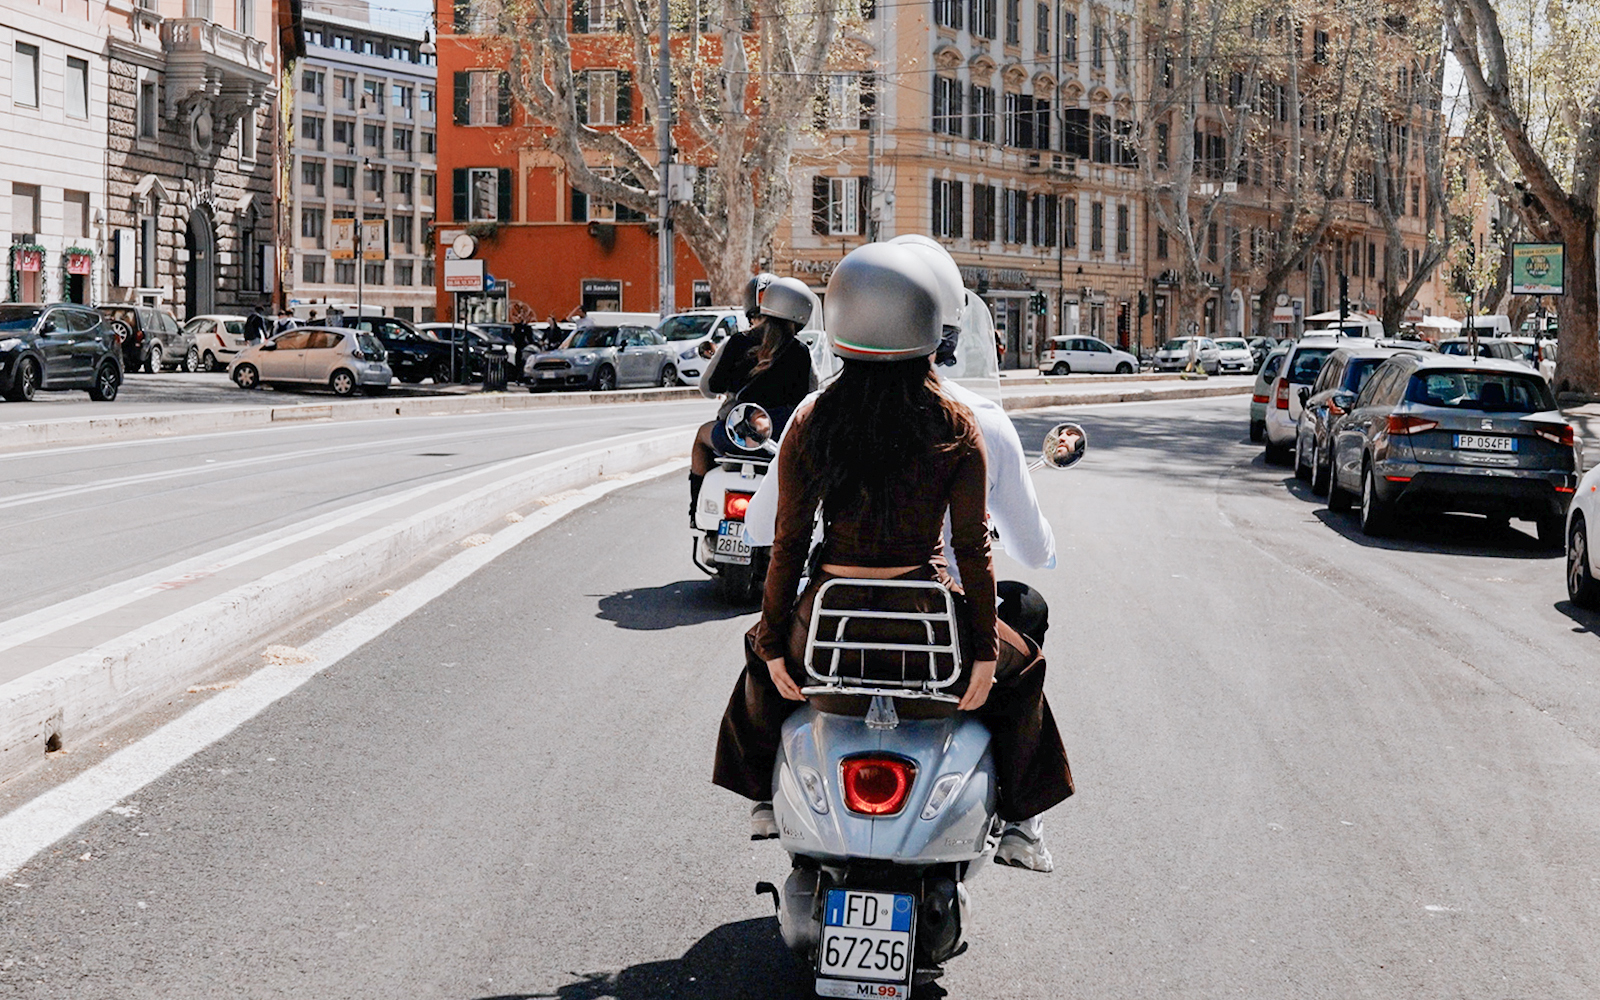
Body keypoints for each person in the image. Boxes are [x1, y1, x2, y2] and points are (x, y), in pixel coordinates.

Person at [712, 243, 1073, 871]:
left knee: (754, 652)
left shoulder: (810, 419)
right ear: (931, 327)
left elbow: (786, 544)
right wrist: (986, 653)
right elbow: (973, 551)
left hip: (826, 625)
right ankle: (1020, 824)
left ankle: (764, 799)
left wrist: (772, 642)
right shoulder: (958, 423)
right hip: (930, 625)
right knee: (1028, 670)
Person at [686, 274, 814, 518]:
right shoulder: (800, 351)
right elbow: (808, 397)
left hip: (737, 436)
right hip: (778, 442)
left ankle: (695, 509)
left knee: (702, 438)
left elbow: (711, 386)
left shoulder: (738, 342)